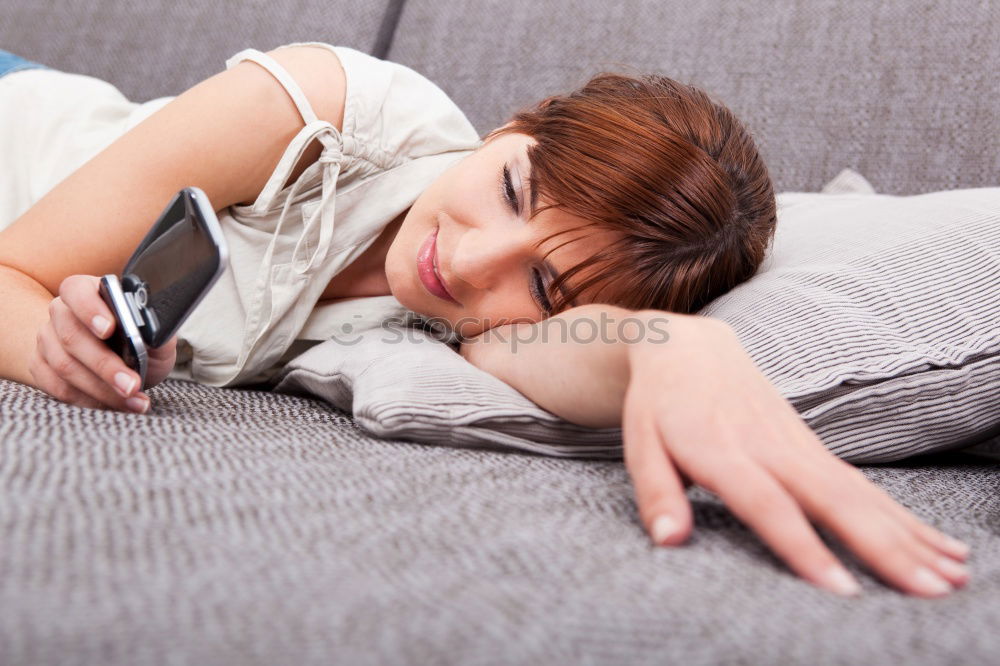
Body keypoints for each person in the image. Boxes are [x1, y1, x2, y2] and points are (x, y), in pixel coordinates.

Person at [0, 44, 971, 600]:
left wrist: (673, 345)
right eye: (513, 188)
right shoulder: (327, 111)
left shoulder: (458, 333)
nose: (462, 264)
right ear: (521, 121)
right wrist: (50, 349)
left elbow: (568, 358)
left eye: (545, 287)